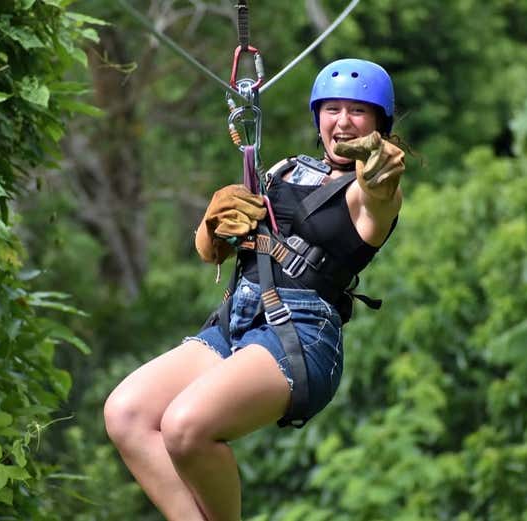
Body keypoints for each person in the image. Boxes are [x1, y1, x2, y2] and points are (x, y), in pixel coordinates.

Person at [103, 58, 406, 521]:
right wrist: (213, 226)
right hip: (239, 320)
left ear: (379, 124)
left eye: (357, 111)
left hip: (301, 334)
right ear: (318, 117)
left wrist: (381, 174)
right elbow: (220, 249)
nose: (343, 122)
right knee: (126, 413)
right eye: (333, 109)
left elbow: (378, 196)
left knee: (185, 426)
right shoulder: (285, 171)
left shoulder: (368, 193)